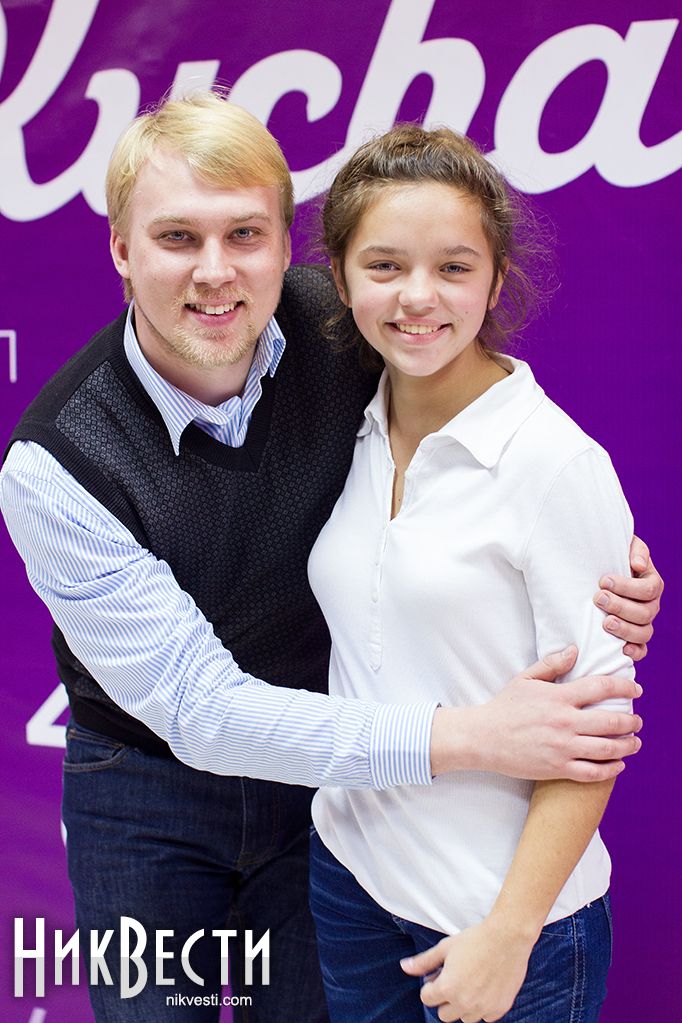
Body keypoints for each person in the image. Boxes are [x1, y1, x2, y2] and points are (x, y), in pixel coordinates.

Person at [0, 93, 660, 1023]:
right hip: (148, 790)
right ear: (121, 248)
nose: (216, 271)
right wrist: (471, 735)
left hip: (331, 794)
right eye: (178, 237)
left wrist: (605, 569)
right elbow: (202, 712)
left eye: (245, 234)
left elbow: (506, 462)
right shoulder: (56, 465)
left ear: (287, 248)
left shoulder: (347, 325)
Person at [306, 123, 653, 1023]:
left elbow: (597, 729)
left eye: (454, 267)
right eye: (384, 265)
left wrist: (510, 930)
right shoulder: (348, 418)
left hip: (502, 924)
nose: (418, 296)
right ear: (338, 278)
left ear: (497, 280)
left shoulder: (553, 463)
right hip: (352, 881)